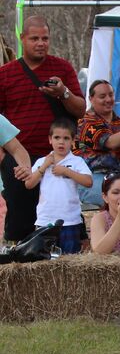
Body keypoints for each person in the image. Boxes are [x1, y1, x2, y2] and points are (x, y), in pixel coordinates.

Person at [0, 15, 85, 241]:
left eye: (45, 38)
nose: (41, 43)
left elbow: (80, 110)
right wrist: (3, 159)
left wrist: (63, 93)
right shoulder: (5, 74)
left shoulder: (62, 68)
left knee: (60, 222)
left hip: (58, 158)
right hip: (19, 160)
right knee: (20, 225)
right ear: (22, 38)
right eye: (35, 38)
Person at [23, 120, 92, 254]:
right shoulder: (41, 161)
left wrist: (66, 171)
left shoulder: (77, 161)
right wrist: (44, 167)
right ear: (50, 139)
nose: (61, 142)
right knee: (44, 258)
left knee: (69, 259)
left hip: (70, 220)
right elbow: (29, 184)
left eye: (66, 138)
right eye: (57, 137)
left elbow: (88, 181)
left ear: (73, 141)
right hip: (45, 220)